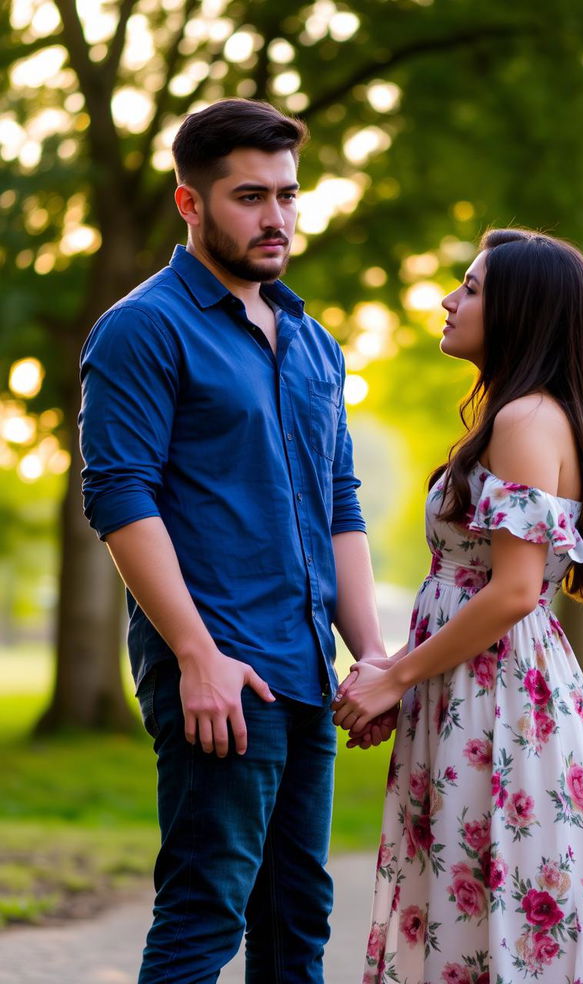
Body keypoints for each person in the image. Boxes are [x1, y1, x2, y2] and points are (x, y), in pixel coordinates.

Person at [79, 98, 395, 984]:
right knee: (205, 912)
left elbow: (339, 503)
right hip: (216, 669)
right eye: (250, 197)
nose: (278, 218)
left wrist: (368, 652)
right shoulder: (145, 327)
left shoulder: (312, 340)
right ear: (190, 203)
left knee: (300, 919)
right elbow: (119, 495)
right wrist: (196, 654)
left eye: (289, 196)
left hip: (304, 669)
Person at [332, 228, 583, 983]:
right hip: (479, 688)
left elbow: (512, 590)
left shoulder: (526, 420)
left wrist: (396, 678)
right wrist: (400, 676)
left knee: (498, 908)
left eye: (470, 288)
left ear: (520, 310)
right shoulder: (520, 415)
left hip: (500, 707)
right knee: (470, 911)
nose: (448, 300)